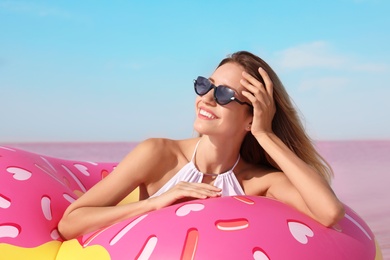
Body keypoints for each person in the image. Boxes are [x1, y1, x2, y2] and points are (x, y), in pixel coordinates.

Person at [58, 51, 345, 240]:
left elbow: (328, 212)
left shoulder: (256, 181)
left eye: (223, 94)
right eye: (205, 85)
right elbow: (71, 222)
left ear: (251, 117)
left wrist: (265, 134)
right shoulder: (159, 155)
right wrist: (154, 204)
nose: (206, 98)